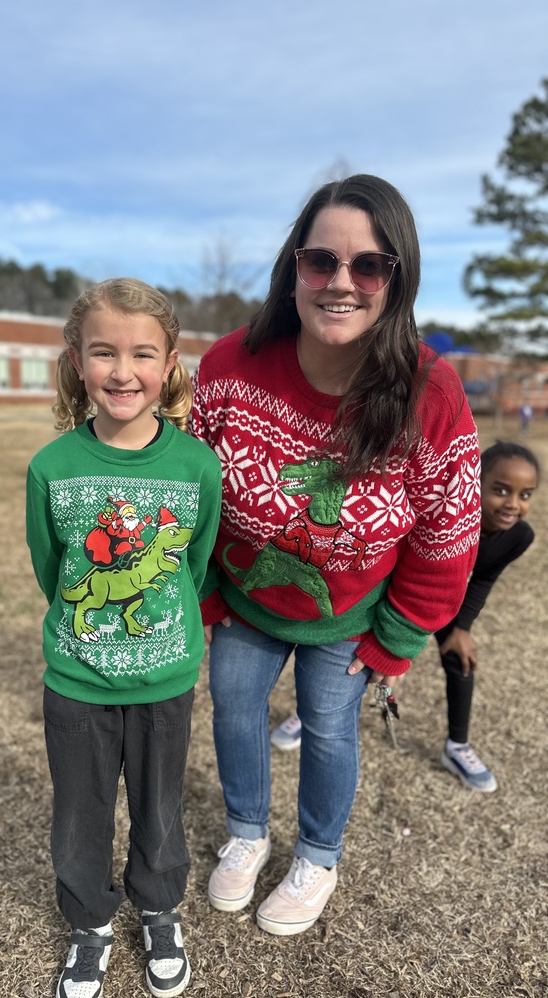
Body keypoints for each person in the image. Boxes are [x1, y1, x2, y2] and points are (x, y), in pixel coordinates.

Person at [189, 174, 481, 938]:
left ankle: (318, 856)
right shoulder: (229, 364)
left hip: (350, 614)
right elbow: (190, 487)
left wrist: (401, 634)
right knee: (234, 710)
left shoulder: (430, 391)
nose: (341, 282)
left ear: (397, 278)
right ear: (294, 268)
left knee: (327, 729)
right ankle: (247, 833)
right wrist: (206, 588)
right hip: (246, 597)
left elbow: (449, 528)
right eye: (321, 261)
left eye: (369, 265)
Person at [26, 278, 222, 998]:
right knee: (80, 814)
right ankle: (89, 923)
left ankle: (159, 909)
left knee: (160, 810)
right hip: (76, 684)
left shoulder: (197, 466)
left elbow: (193, 565)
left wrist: (154, 623)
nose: (122, 371)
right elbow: (53, 570)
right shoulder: (51, 467)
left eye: (143, 354)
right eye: (103, 352)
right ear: (77, 362)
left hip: (165, 681)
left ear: (169, 364)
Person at [436, 440, 539, 792]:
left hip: (443, 599)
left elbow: (482, 579)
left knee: (460, 658)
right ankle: (315, 714)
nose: (513, 504)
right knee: (357, 654)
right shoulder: (447, 514)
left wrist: (461, 628)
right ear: (475, 483)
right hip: (404, 591)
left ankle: (457, 746)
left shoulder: (518, 537)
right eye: (501, 490)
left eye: (525, 495)